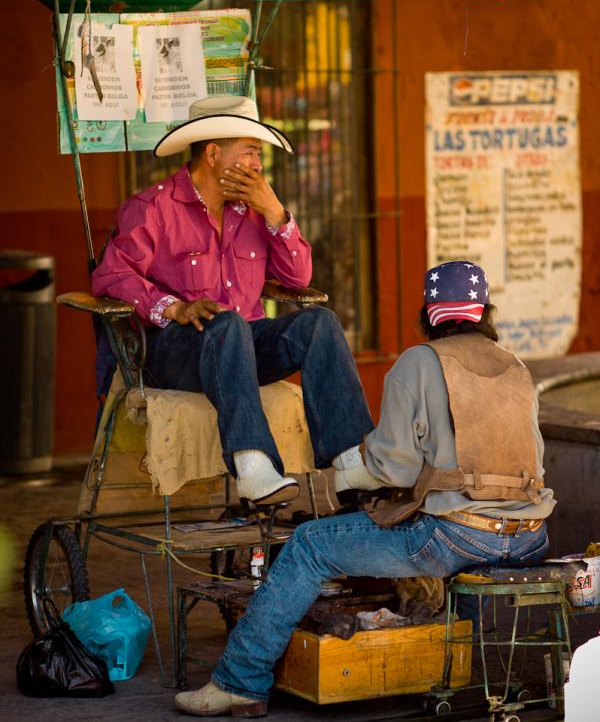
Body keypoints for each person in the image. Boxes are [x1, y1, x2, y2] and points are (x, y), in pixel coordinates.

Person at [174, 259, 555, 718]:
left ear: (428, 314)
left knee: (309, 545)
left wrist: (328, 482)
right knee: (452, 538)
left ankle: (239, 682)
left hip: (461, 536)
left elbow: (391, 470)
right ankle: (457, 672)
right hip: (531, 534)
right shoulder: (515, 365)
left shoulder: (419, 361)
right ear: (485, 312)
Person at [92, 95, 380, 506]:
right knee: (225, 323)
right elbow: (112, 276)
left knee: (319, 322)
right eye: (250, 152)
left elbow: (298, 278)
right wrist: (173, 307)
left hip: (241, 348)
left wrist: (276, 212)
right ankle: (253, 463)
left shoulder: (254, 211)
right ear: (213, 154)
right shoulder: (153, 207)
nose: (259, 165)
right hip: (175, 353)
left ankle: (350, 462)